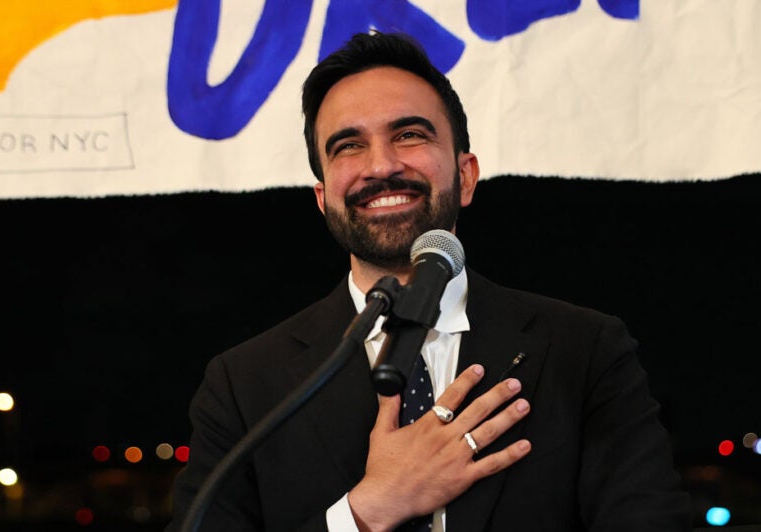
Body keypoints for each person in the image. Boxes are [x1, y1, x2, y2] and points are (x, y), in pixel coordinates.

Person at [168, 31, 691, 531]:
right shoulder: (243, 385)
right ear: (323, 198)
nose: (382, 165)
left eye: (409, 134)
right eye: (348, 145)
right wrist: (369, 510)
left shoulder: (586, 350)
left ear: (465, 176)